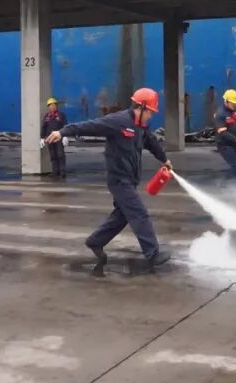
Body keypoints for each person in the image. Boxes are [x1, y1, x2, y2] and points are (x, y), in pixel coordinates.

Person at [46, 87, 172, 273]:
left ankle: (95, 242)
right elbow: (90, 125)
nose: (151, 116)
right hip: (119, 180)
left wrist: (164, 159)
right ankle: (152, 254)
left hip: (130, 179)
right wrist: (62, 132)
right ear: (141, 107)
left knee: (121, 217)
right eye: (150, 112)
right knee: (139, 213)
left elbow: (151, 141)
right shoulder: (118, 121)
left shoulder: (141, 126)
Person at [39, 97, 68, 177]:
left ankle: (62, 172)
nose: (53, 107)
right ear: (48, 107)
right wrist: (42, 138)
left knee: (60, 155)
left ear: (56, 106)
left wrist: (65, 136)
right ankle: (55, 172)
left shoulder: (61, 115)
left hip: (59, 138)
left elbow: (65, 125)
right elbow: (44, 127)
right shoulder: (47, 116)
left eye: (54, 105)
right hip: (50, 138)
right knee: (53, 156)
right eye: (51, 105)